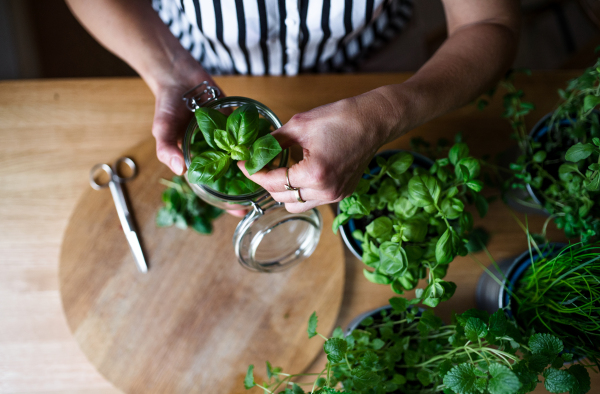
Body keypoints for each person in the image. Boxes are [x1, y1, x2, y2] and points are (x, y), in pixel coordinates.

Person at [66, 0, 519, 214]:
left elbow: (490, 23)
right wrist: (167, 69)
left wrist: (387, 110)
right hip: (205, 63)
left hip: (374, 68)